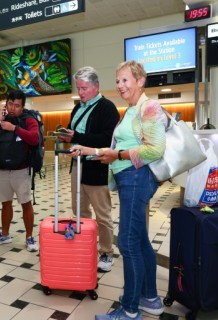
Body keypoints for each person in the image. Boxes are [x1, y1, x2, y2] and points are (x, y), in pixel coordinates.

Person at [72, 61, 167, 320]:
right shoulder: (132, 110)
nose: (120, 86)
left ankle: (129, 309)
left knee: (127, 242)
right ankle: (151, 299)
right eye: (118, 81)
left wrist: (119, 154)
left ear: (140, 81)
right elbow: (117, 146)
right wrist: (92, 150)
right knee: (141, 241)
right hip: (128, 178)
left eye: (125, 80)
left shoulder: (149, 107)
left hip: (137, 178)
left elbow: (155, 150)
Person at [57, 66, 120, 272]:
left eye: (84, 88)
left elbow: (106, 139)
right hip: (78, 166)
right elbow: (74, 131)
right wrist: (66, 136)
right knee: (80, 211)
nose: (81, 92)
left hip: (97, 167)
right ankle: (85, 245)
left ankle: (106, 252)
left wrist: (75, 137)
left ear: (96, 86)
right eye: (78, 88)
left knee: (102, 214)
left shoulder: (107, 108)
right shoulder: (78, 108)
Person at [0, 89, 40, 252]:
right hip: (2, 171)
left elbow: (35, 138)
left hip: (21, 171)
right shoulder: (0, 120)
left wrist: (14, 128)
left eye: (17, 106)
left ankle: (29, 237)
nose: (13, 108)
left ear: (23, 106)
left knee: (26, 204)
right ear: (6, 104)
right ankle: (5, 234)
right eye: (10, 104)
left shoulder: (28, 120)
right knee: (6, 203)